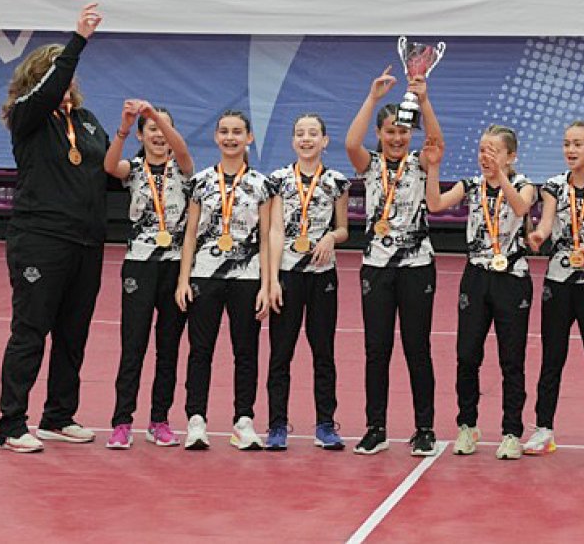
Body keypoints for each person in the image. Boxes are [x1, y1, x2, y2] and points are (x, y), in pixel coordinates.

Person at [0, 3, 106, 453]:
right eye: (61, 74)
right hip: (40, 239)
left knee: (73, 334)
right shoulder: (27, 116)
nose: (70, 83)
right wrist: (77, 41)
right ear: (42, 76)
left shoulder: (85, 120)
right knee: (30, 330)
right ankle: (11, 425)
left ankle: (59, 415)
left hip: (87, 241)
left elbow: (104, 168)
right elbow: (48, 91)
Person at [422, 126, 537, 460]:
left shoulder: (523, 184)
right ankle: (467, 425)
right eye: (482, 150)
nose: (486, 157)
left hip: (512, 276)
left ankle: (512, 431)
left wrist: (501, 175)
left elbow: (519, 208)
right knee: (467, 355)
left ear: (511, 156)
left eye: (494, 151)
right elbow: (434, 203)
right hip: (476, 275)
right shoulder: (471, 186)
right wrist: (434, 168)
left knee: (511, 358)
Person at [344, 67, 442, 456]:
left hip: (417, 266)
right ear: (380, 135)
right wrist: (371, 98)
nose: (397, 138)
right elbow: (351, 142)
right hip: (377, 265)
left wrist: (424, 99)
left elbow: (435, 139)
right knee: (376, 348)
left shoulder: (422, 162)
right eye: (390, 132)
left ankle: (425, 428)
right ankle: (376, 427)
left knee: (417, 347)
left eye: (403, 132)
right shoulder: (368, 166)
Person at [175, 111, 272, 451]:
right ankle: (196, 420)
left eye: (238, 132)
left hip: (247, 278)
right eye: (224, 132)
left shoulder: (262, 184)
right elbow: (189, 235)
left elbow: (266, 236)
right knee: (200, 350)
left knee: (245, 350)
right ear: (216, 137)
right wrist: (183, 280)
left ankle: (243, 421)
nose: (231, 138)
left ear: (250, 138)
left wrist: (266, 283)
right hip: (204, 275)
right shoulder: (200, 181)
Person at [103, 99, 194, 449]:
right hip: (139, 265)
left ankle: (160, 420)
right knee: (134, 345)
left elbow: (181, 148)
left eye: (164, 128)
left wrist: (155, 115)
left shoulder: (183, 168)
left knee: (168, 347)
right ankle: (122, 421)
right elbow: (110, 166)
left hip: (175, 266)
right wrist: (126, 127)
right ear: (142, 136)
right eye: (152, 129)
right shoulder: (134, 168)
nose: (159, 134)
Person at [524, 121, 584, 458]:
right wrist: (539, 235)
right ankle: (543, 429)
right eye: (566, 144)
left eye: (578, 144)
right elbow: (547, 222)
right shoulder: (553, 186)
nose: (570, 150)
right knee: (552, 357)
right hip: (559, 280)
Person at [263, 114, 351, 451]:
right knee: (280, 354)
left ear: (325, 141)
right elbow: (273, 231)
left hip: (322, 277)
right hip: (287, 274)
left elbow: (344, 228)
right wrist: (271, 280)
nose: (306, 139)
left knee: (323, 352)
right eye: (300, 133)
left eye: (313, 133)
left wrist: (332, 236)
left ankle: (326, 425)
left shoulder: (336, 181)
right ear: (292, 141)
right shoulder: (279, 180)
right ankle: (277, 426)